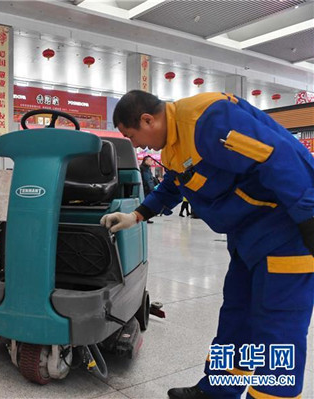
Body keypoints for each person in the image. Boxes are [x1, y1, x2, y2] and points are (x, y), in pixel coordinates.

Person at [101, 90, 314, 399]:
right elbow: (175, 182)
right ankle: (218, 390)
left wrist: (309, 219)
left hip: (285, 233)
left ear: (148, 120)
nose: (134, 144)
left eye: (130, 135)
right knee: (236, 315)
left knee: (278, 325)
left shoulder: (208, 121)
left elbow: (277, 157)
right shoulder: (175, 141)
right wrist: (136, 215)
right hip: (247, 236)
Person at [140, 156, 158, 223]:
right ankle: (143, 217)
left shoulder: (148, 169)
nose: (152, 162)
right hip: (144, 189)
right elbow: (144, 179)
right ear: (145, 161)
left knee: (148, 204)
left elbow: (150, 179)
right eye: (150, 160)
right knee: (144, 204)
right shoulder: (142, 168)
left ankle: (146, 218)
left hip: (149, 189)